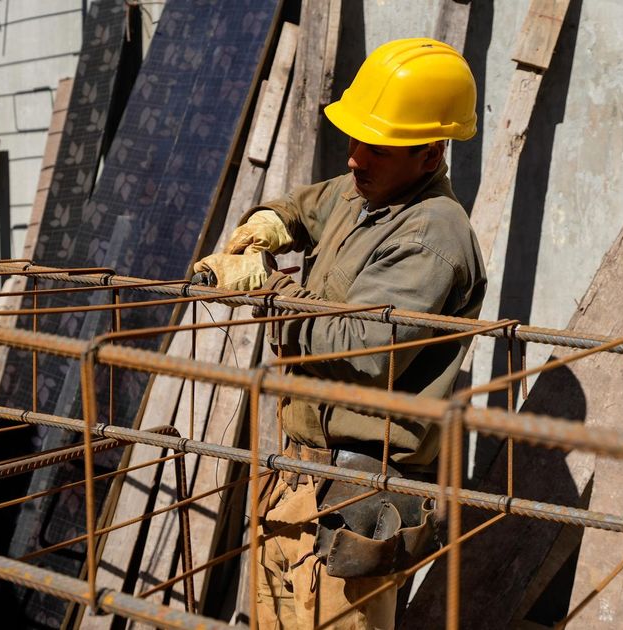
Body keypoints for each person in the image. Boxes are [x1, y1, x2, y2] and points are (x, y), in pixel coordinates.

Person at [194, 38, 486, 629]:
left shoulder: (431, 235)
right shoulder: (369, 191)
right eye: (355, 139)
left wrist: (268, 290)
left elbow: (363, 348)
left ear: (430, 155)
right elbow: (309, 206)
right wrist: (271, 223)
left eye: (375, 147)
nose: (354, 159)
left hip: (359, 492)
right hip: (298, 473)